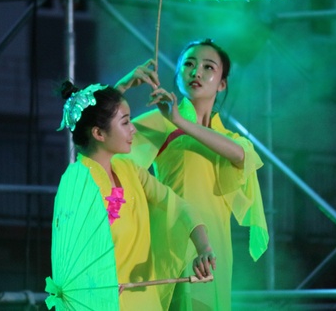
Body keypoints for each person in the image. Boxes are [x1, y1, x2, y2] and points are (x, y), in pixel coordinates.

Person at [115, 39, 269, 311]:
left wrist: (180, 122)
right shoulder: (160, 122)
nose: (196, 72)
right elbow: (102, 138)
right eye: (188, 64)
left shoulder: (231, 139)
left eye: (208, 67)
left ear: (222, 84)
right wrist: (121, 88)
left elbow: (241, 157)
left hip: (214, 250)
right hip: (172, 243)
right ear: (177, 76)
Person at [51, 81, 216, 310]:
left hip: (145, 301)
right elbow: (73, 260)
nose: (133, 129)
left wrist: (204, 248)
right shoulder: (78, 186)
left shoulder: (130, 170)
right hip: (103, 303)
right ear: (98, 133)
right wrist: (96, 283)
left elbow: (178, 207)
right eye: (125, 122)